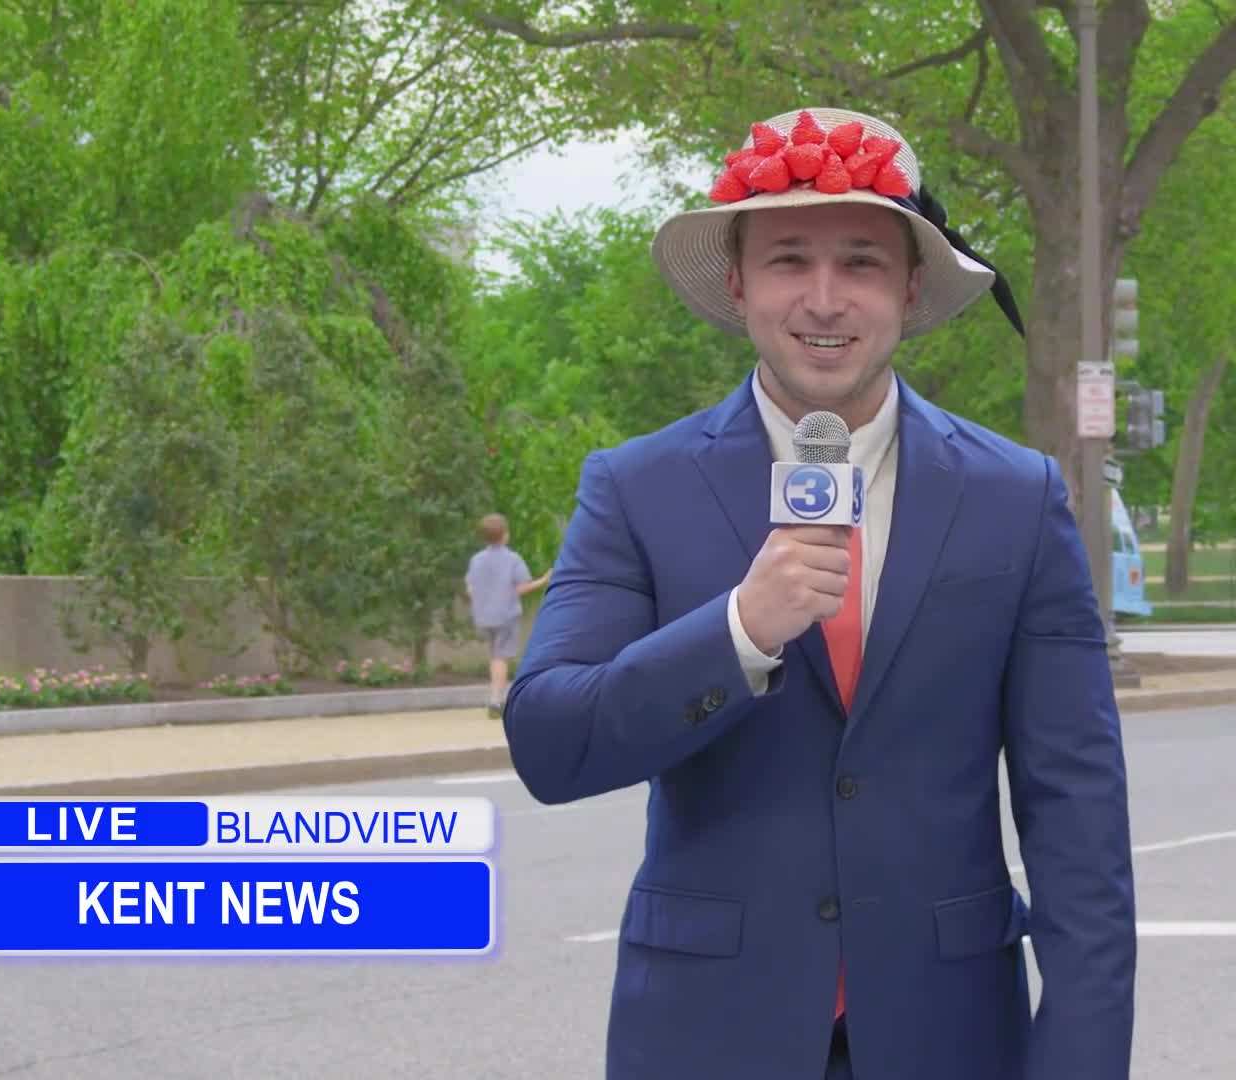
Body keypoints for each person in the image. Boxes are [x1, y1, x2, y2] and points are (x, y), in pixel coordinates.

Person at [503, 107, 1136, 1080]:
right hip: (708, 1041)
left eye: (863, 263)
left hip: (952, 1039)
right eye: (790, 260)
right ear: (738, 283)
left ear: (911, 288)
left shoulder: (1016, 498)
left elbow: (1079, 819)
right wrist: (738, 632)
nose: (826, 299)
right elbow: (551, 743)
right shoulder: (635, 487)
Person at [464, 513, 549, 717]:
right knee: (501, 658)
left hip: (484, 616)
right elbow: (522, 587)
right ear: (505, 535)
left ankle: (495, 696)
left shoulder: (476, 560)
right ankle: (496, 701)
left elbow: (470, 587)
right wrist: (544, 579)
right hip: (506, 615)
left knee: (494, 656)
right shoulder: (512, 559)